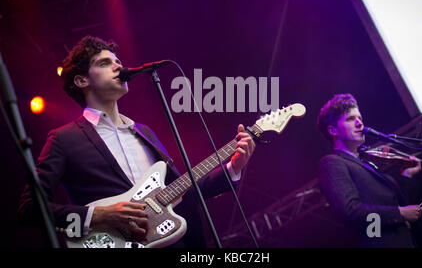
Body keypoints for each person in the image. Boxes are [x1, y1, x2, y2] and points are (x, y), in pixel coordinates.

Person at [18, 36, 255, 248]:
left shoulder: (144, 133)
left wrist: (233, 168)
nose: (118, 66)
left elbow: (183, 191)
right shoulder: (64, 139)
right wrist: (98, 216)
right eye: (104, 63)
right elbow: (30, 208)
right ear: (82, 81)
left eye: (117, 61)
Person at [316, 93, 422, 247]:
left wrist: (407, 176)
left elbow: (400, 204)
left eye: (359, 118)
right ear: (333, 130)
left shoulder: (366, 163)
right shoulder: (332, 163)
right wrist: (399, 213)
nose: (359, 123)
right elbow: (351, 211)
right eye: (350, 119)